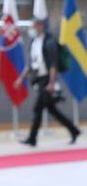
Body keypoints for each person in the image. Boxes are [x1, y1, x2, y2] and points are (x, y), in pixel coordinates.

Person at [16, 16, 81, 146]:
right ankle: (73, 130)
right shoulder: (34, 42)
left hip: (47, 80)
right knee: (51, 110)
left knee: (38, 108)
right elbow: (31, 64)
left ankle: (32, 138)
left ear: (40, 26)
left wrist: (52, 82)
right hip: (39, 79)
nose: (32, 29)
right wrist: (21, 78)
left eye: (33, 26)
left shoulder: (49, 42)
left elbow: (53, 64)